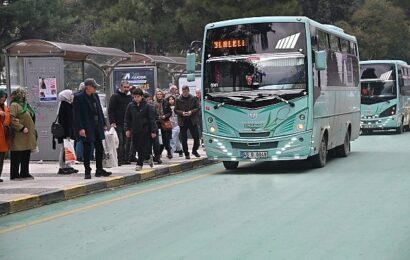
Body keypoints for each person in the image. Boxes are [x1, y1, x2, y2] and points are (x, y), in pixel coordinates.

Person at [73, 78, 111, 179]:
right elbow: (77, 115)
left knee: (99, 148)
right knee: (87, 149)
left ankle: (99, 169)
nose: (95, 89)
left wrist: (103, 124)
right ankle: (87, 170)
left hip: (97, 126)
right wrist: (80, 128)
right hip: (86, 126)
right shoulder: (79, 98)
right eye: (93, 87)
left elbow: (99, 110)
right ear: (87, 87)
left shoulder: (95, 96)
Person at [124, 88, 157, 171]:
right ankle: (148, 156)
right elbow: (127, 118)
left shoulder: (147, 106)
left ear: (142, 97)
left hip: (145, 130)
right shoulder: (130, 106)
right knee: (135, 146)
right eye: (134, 97)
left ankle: (139, 164)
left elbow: (151, 119)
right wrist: (127, 129)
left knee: (142, 146)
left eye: (138, 96)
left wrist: (153, 131)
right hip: (134, 129)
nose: (136, 98)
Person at [9, 88, 36, 180]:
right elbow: (11, 119)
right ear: (20, 95)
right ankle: (14, 174)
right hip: (19, 135)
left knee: (26, 154)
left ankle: (25, 173)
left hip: (27, 135)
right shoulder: (14, 105)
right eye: (25, 94)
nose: (27, 96)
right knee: (17, 155)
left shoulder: (25, 106)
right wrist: (21, 127)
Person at [108, 80, 132, 165]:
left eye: (127, 87)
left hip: (127, 123)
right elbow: (111, 110)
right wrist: (112, 122)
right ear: (121, 87)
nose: (126, 89)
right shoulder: (115, 96)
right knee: (119, 141)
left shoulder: (130, 97)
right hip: (118, 122)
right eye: (124, 87)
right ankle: (119, 159)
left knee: (127, 142)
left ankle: (126, 158)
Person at [175, 86, 201, 159]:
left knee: (196, 137)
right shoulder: (178, 99)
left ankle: (194, 150)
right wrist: (182, 113)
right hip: (182, 121)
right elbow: (176, 110)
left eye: (186, 91)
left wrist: (191, 112)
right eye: (183, 92)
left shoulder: (193, 98)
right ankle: (186, 153)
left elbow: (197, 108)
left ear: (188, 91)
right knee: (183, 138)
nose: (185, 93)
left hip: (192, 120)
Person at [56, 89, 78, 174]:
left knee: (69, 149)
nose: (72, 96)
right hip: (65, 132)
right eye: (71, 94)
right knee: (64, 149)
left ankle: (68, 165)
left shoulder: (69, 104)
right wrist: (67, 134)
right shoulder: (64, 106)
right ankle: (62, 167)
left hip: (69, 131)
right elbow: (65, 121)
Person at [153, 89, 173, 159]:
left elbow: (170, 112)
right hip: (157, 123)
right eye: (158, 94)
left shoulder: (165, 102)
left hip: (164, 123)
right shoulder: (153, 103)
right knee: (158, 139)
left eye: (160, 94)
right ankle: (158, 154)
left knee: (165, 139)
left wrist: (165, 116)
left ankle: (169, 152)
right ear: (156, 95)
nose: (159, 96)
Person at [0, 90, 10, 182]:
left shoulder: (5, 107)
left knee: (1, 158)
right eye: (2, 96)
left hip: (3, 135)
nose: (3, 98)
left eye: (4, 97)